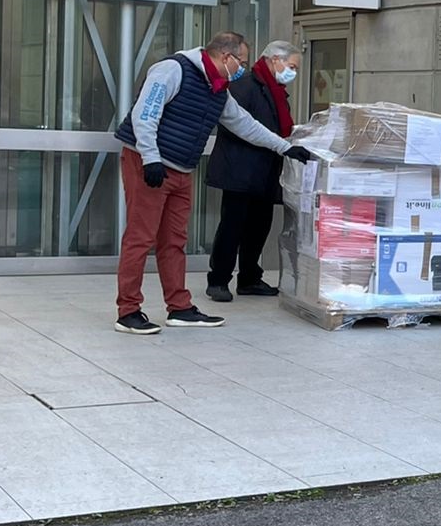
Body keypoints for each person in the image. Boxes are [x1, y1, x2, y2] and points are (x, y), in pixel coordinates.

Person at [112, 30, 315, 335]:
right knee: (140, 237)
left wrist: (284, 147)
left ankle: (179, 307)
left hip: (181, 168)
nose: (243, 68)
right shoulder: (173, 69)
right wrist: (150, 157)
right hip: (148, 163)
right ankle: (128, 311)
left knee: (174, 241)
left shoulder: (218, 88)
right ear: (225, 56)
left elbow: (244, 123)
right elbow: (146, 112)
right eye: (241, 62)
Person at [204, 39, 301, 303]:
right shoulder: (244, 86)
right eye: (291, 66)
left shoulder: (276, 91)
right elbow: (235, 125)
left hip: (265, 172)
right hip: (240, 171)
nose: (293, 72)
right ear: (275, 60)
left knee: (259, 228)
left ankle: (249, 278)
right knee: (232, 227)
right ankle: (219, 280)